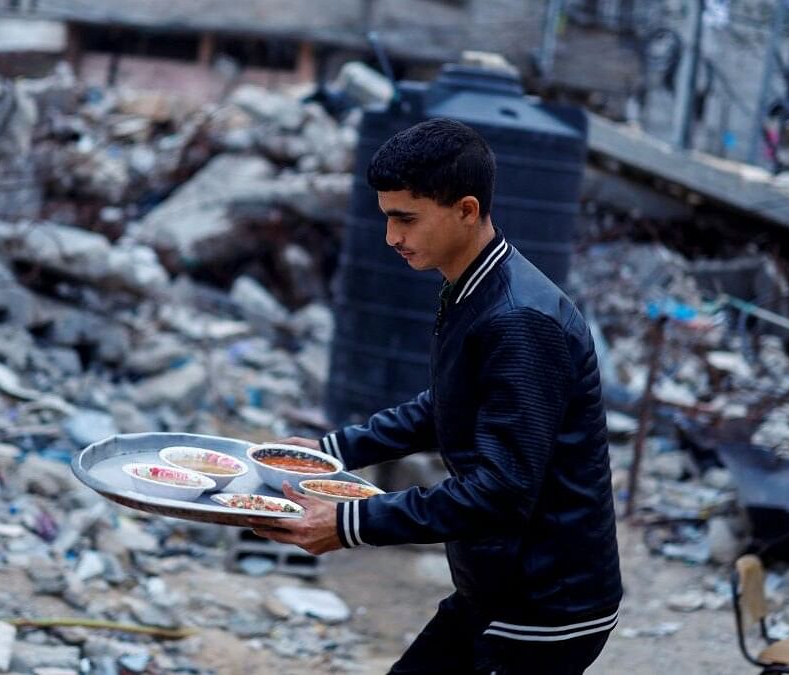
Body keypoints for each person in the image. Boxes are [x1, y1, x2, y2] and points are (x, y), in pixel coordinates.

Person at [249, 117, 622, 674]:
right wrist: (331, 452)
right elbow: (445, 405)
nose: (391, 237)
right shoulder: (475, 287)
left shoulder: (518, 319)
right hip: (495, 588)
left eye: (406, 219)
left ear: (467, 210)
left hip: (543, 604)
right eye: (387, 217)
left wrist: (353, 524)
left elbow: (499, 491)